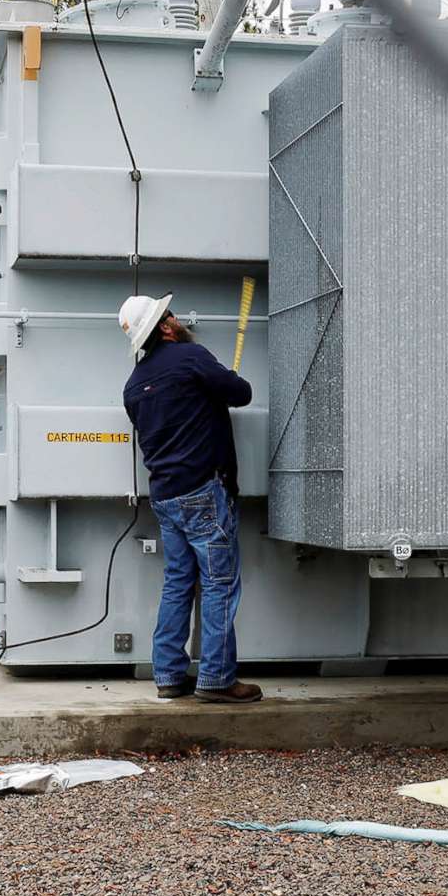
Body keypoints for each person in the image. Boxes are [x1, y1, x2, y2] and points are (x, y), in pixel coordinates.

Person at [119, 293, 262, 704]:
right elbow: (242, 392)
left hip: (165, 496)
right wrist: (224, 380)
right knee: (218, 583)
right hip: (203, 491)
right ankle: (217, 679)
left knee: (178, 583)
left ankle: (169, 676)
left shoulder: (132, 386)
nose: (177, 318)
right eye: (171, 315)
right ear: (165, 326)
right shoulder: (191, 357)